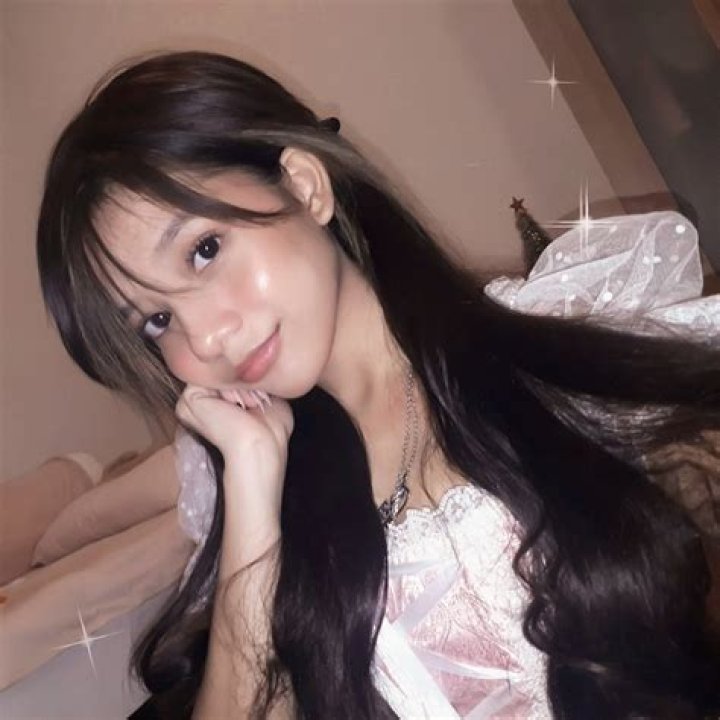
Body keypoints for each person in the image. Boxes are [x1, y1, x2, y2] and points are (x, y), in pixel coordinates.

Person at [36, 51, 720, 719]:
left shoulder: (549, 347)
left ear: (305, 185)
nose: (205, 339)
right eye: (157, 321)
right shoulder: (275, 498)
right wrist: (252, 491)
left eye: (204, 250)